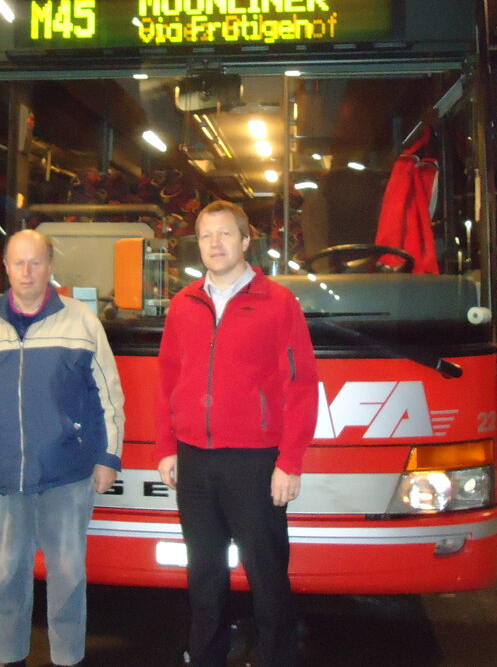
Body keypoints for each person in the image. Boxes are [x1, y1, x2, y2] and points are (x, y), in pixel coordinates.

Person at [0, 229, 125, 667]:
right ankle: (10, 658)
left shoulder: (81, 322)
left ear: (50, 267)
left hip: (67, 474)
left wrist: (108, 457)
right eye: (18, 263)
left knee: (67, 576)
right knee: (8, 577)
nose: (27, 271)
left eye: (36, 262)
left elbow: (109, 394)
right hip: (3, 477)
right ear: (5, 267)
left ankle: (67, 658)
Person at [155, 201, 319, 667]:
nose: (215, 244)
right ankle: (205, 655)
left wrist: (290, 461)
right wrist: (167, 447)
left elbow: (301, 385)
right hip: (195, 461)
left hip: (255, 461)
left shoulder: (278, 303)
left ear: (246, 241)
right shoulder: (185, 304)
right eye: (207, 235)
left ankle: (276, 656)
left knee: (266, 572)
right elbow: (167, 379)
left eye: (225, 234)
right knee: (204, 572)